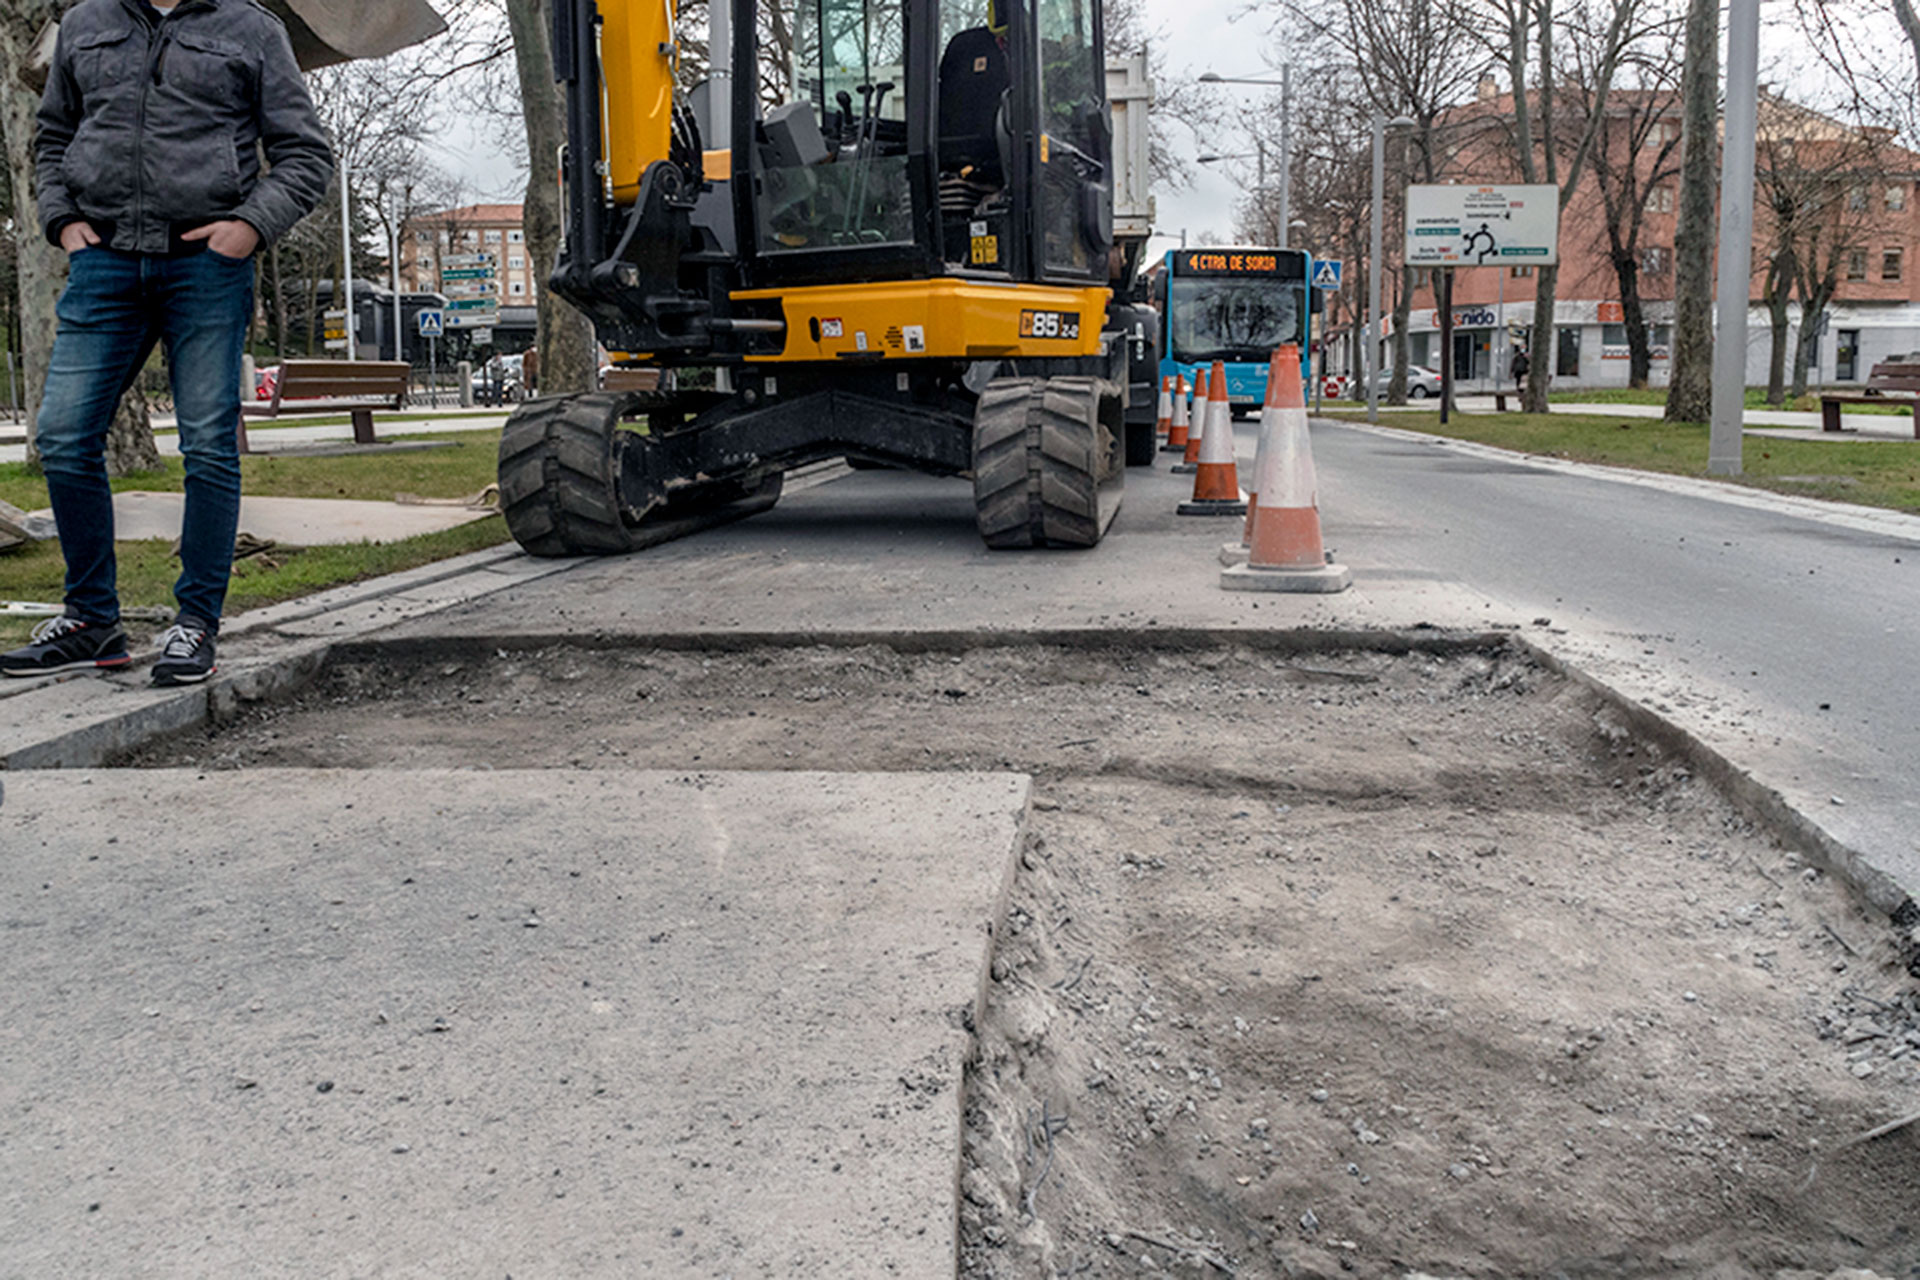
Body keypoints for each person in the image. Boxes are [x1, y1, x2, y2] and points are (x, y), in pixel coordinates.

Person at [2, 0, 332, 684]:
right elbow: (53, 135)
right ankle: (92, 621)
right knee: (62, 437)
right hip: (104, 260)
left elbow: (306, 154)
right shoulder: (86, 24)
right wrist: (61, 219)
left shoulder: (252, 29)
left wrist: (250, 226)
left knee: (209, 445)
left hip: (207, 264)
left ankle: (194, 625)